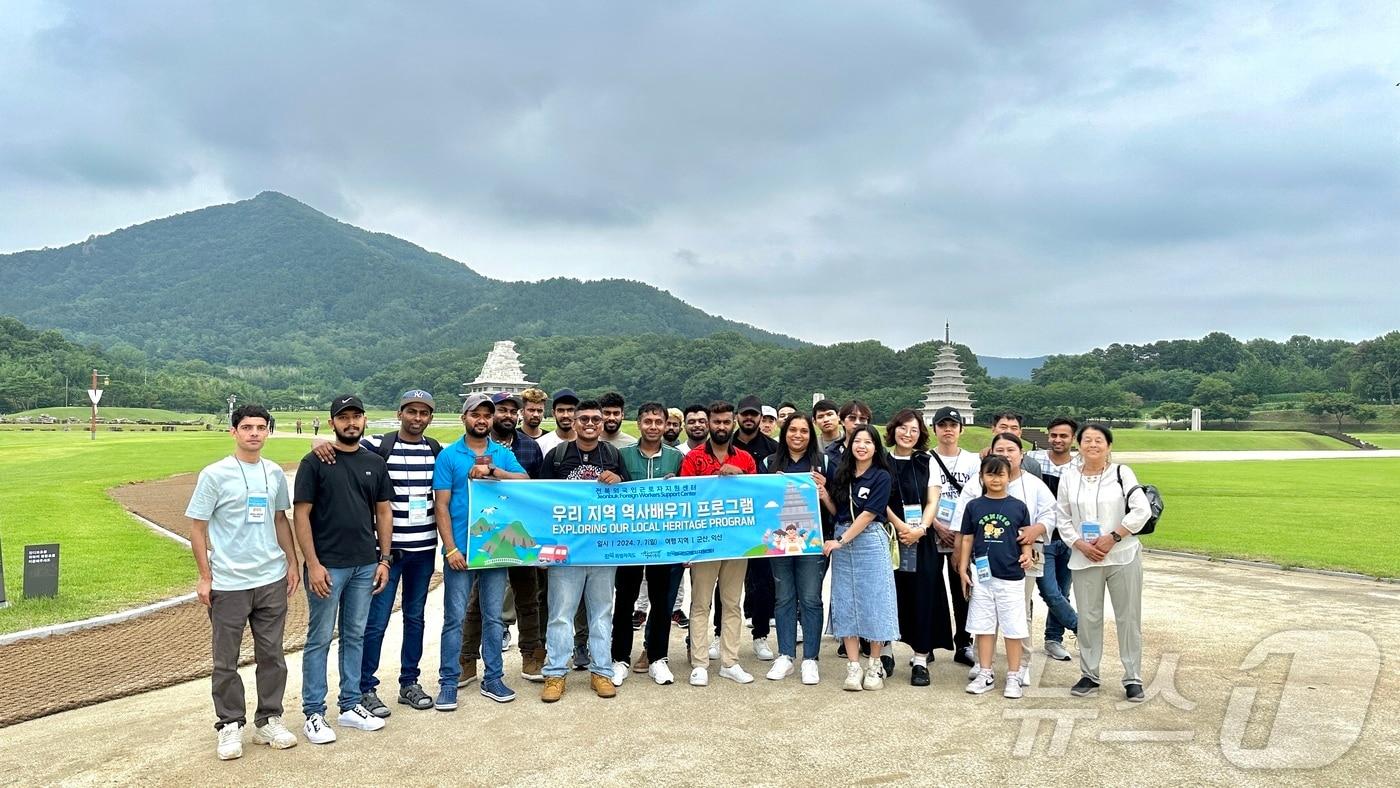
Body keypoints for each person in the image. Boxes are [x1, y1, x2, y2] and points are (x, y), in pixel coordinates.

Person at [309, 389, 442, 718]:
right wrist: (316, 441)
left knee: (415, 618)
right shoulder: (379, 446)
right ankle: (365, 687)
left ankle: (409, 681)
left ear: (430, 418)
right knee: (374, 622)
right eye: (411, 411)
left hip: (424, 549)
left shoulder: (436, 449)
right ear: (400, 414)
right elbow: (342, 444)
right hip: (389, 552)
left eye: (423, 413)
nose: (417, 418)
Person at [186, 404, 299, 759]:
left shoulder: (274, 473)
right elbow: (198, 527)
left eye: (261, 427)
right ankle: (230, 724)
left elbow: (281, 519)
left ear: (268, 432)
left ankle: (268, 720)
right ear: (233, 431)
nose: (254, 433)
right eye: (247, 427)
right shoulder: (215, 475)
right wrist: (206, 576)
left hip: (270, 577)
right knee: (225, 660)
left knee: (272, 655)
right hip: (229, 581)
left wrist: (292, 562)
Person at [292, 395, 393, 744]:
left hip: (366, 563)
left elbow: (383, 511)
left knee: (355, 635)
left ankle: (350, 704)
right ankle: (314, 712)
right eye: (343, 418)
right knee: (319, 638)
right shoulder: (316, 461)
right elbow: (301, 514)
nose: (351, 423)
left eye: (356, 417)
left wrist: (384, 558)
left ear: (364, 420)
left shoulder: (374, 462)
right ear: (332, 422)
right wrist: (314, 564)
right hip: (328, 566)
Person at [431, 393, 528, 710]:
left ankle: (494, 677)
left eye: (487, 414)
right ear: (465, 418)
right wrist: (450, 549)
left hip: (493, 549)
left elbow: (525, 480)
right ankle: (448, 682)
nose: (482, 420)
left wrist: (495, 473)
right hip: (461, 549)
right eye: (476, 414)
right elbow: (441, 505)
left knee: (493, 618)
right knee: (454, 619)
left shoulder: (500, 453)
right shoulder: (449, 456)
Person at [539, 400, 631, 702]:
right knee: (560, 615)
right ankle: (554, 673)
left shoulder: (613, 455)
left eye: (596, 419)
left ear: (603, 423)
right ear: (574, 423)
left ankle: (602, 671)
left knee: (602, 613)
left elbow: (630, 499)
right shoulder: (557, 456)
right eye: (584, 419)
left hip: (603, 549)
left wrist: (618, 481)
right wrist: (543, 548)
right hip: (566, 550)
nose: (590, 423)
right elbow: (540, 501)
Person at [1054, 423, 1152, 702]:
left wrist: (1114, 536)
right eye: (1087, 440)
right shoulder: (1069, 477)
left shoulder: (1122, 473)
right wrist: (1080, 543)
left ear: (1108, 446)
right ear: (1079, 444)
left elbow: (1141, 510)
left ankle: (1132, 677)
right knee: (1089, 618)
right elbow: (1062, 517)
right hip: (1085, 557)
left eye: (1099, 440)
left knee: (1128, 617)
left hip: (1122, 555)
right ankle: (1089, 674)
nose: (1092, 445)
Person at [950, 432, 1056, 686]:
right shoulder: (977, 492)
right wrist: (961, 563)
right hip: (983, 567)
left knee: (1018, 617)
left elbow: (1050, 514)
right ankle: (983, 666)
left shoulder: (1031, 485)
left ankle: (1019, 668)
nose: (1006, 455)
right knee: (983, 618)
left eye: (1011, 450)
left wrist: (1035, 532)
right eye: (1000, 450)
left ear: (1021, 454)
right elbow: (965, 531)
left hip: (1016, 564)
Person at [460, 392, 546, 686]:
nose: (508, 415)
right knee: (479, 600)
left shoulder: (528, 448)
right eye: (502, 410)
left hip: (521, 529)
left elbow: (535, 486)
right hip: (486, 532)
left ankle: (531, 654)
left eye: (513, 411)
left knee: (528, 596)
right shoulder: (475, 446)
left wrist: (496, 472)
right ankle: (467, 658)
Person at [681, 400, 758, 686]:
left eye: (727, 422)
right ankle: (699, 663)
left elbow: (756, 497)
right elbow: (686, 498)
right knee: (700, 602)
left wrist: (739, 477)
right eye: (717, 422)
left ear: (734, 422)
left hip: (738, 543)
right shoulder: (693, 459)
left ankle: (730, 661)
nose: (721, 426)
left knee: (732, 603)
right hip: (705, 541)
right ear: (709, 423)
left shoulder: (746, 459)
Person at [612, 402, 685, 685]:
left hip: (663, 542)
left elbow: (687, 496)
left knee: (661, 601)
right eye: (647, 421)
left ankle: (658, 658)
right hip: (628, 541)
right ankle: (620, 659)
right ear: (639, 423)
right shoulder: (622, 454)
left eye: (658, 421)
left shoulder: (675, 457)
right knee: (625, 600)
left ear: (666, 424)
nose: (653, 426)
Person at [824, 425, 900, 691]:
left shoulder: (881, 476)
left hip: (868, 540)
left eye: (868, 442)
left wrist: (840, 542)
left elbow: (868, 514)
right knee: (846, 601)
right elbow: (838, 510)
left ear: (876, 447)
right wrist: (824, 495)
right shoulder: (842, 474)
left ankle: (874, 664)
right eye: (857, 441)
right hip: (843, 538)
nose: (862, 446)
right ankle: (853, 666)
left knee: (875, 600)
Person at [883, 409, 953, 687]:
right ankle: (885, 652)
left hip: (922, 539)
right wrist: (901, 528)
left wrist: (921, 529)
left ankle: (921, 658)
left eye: (913, 429)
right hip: (889, 536)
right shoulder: (882, 460)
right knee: (889, 594)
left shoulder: (927, 461)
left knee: (924, 595)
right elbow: (880, 500)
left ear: (920, 432)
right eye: (902, 428)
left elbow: (933, 500)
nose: (907, 434)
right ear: (893, 429)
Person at [762, 412, 833, 685]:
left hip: (812, 542)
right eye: (793, 430)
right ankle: (785, 655)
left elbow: (835, 508)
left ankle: (811, 659)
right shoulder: (768, 463)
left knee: (811, 598)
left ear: (811, 434)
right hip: (778, 542)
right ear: (784, 432)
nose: (798, 436)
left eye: (804, 431)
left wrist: (824, 492)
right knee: (783, 598)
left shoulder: (823, 462)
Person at [957, 455, 1033, 699]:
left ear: (1009, 476)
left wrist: (1027, 555)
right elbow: (967, 538)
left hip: (1011, 576)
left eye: (1000, 474)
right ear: (982, 476)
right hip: (982, 576)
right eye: (990, 474)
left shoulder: (1018, 506)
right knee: (984, 627)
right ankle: (986, 672)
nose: (995, 479)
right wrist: (962, 568)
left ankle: (1013, 675)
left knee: (1013, 628)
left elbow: (1024, 537)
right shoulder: (974, 506)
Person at [927, 405, 980, 667]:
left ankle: (964, 642)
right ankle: (929, 641)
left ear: (961, 429)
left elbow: (978, 500)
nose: (948, 429)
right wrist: (935, 524)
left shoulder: (973, 461)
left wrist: (960, 533)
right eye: (942, 425)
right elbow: (919, 498)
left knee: (962, 588)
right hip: (932, 531)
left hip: (963, 533)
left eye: (953, 425)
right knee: (931, 588)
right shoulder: (924, 458)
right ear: (934, 428)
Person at [1026, 417, 1081, 661]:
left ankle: (1053, 639)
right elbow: (1003, 455)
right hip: (1042, 538)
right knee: (1049, 591)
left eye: (1064, 436)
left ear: (1073, 439)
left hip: (1069, 538)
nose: (1058, 440)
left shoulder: (1080, 465)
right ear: (1048, 436)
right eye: (1054, 435)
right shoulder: (1034, 459)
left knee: (1062, 590)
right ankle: (1083, 628)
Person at [733, 395, 778, 661]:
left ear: (761, 418)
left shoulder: (774, 449)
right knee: (725, 584)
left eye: (754, 415)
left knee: (763, 583)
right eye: (744, 414)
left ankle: (760, 635)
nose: (749, 419)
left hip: (762, 526)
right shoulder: (725, 445)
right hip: (730, 525)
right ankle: (719, 633)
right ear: (738, 416)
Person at [985, 411, 1043, 478]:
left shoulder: (1032, 465)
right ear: (993, 429)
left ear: (1020, 432)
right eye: (1003, 427)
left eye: (1014, 428)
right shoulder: (979, 461)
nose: (1008, 431)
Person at [823, 400, 871, 467]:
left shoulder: (878, 452)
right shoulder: (831, 453)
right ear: (842, 421)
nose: (857, 422)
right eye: (852, 418)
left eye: (862, 419)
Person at [535, 388, 579, 456]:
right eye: (561, 410)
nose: (565, 415)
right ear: (553, 413)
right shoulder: (541, 444)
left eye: (570, 410)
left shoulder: (587, 443)